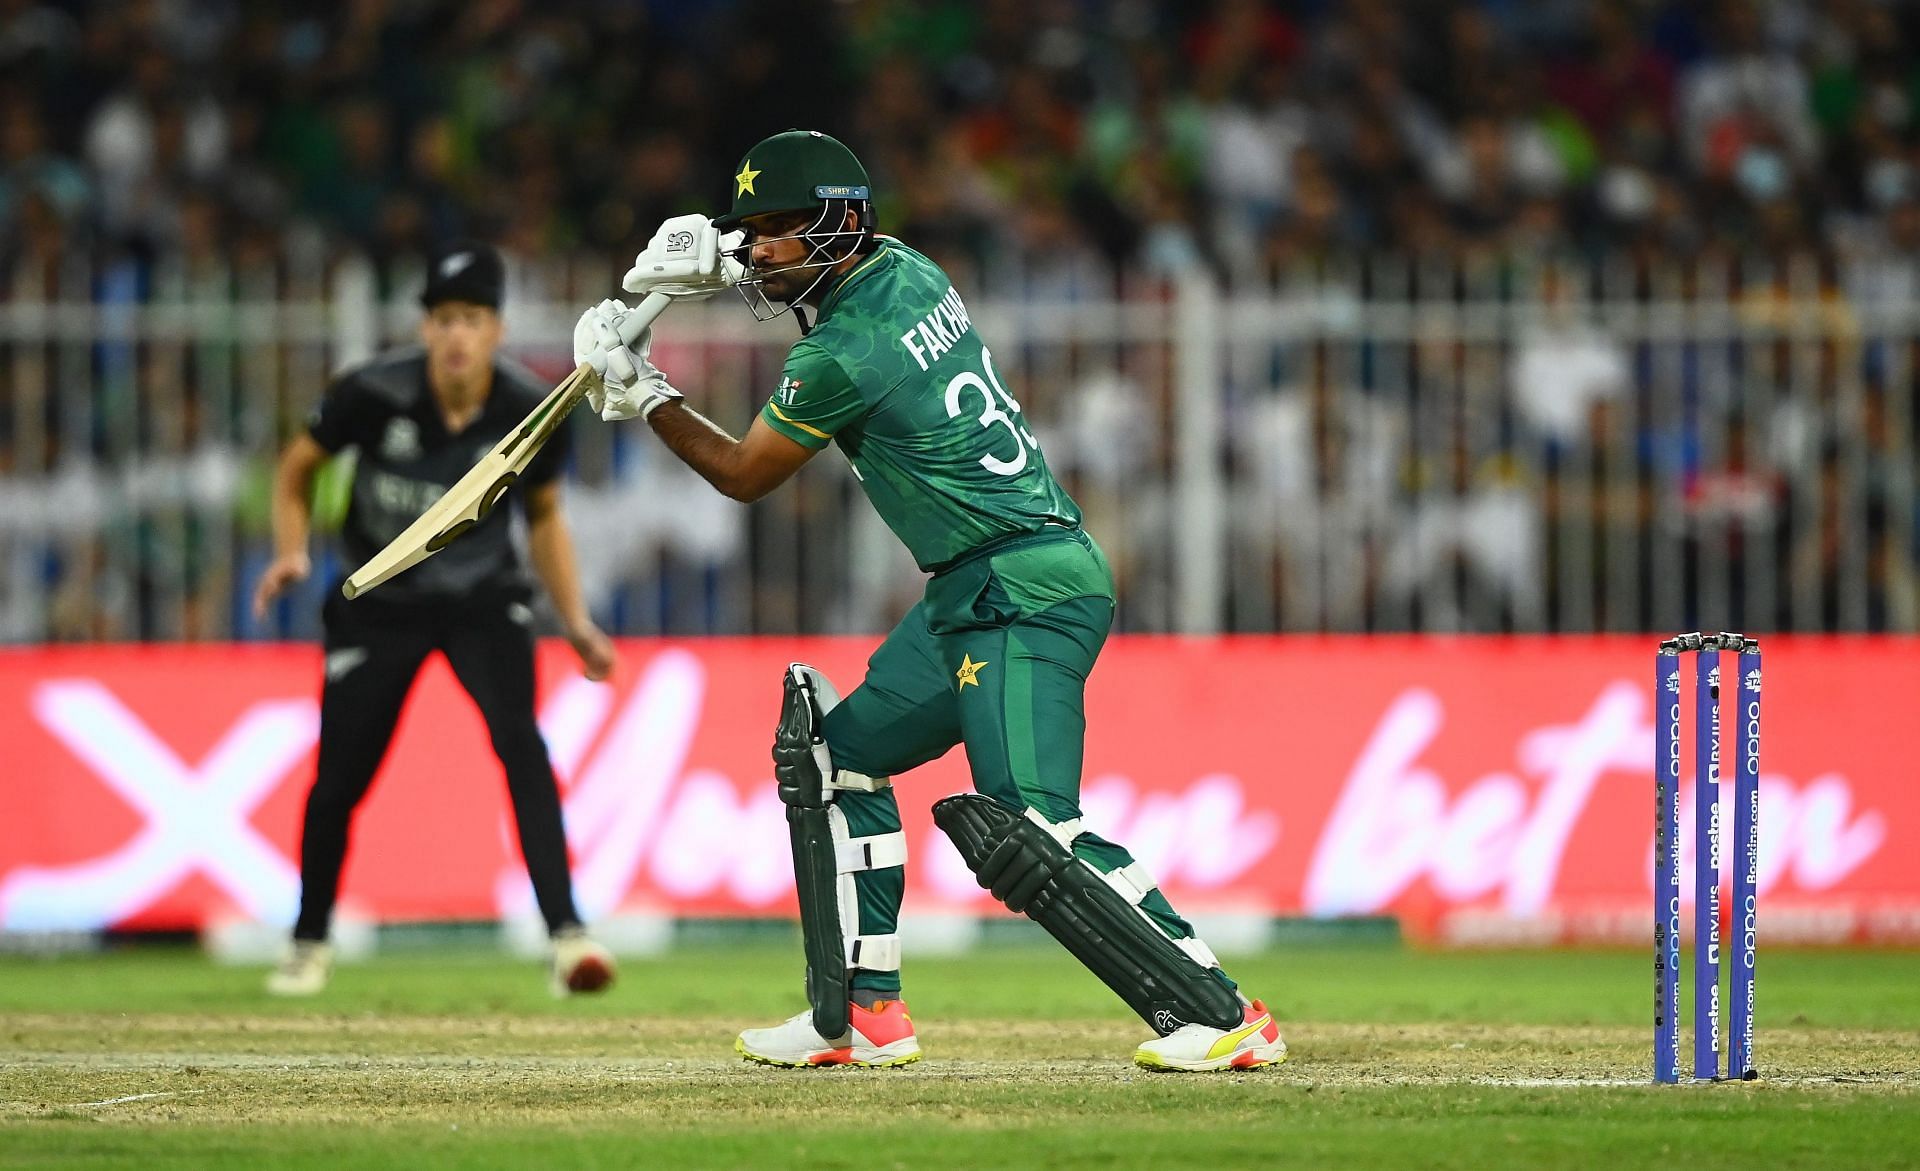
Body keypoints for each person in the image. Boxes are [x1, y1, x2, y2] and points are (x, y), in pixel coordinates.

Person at [571, 130, 1283, 1071]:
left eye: (783, 228)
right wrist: (722, 253)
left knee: (1029, 819)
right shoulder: (904, 267)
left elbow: (746, 475)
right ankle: (858, 1018)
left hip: (1022, 588)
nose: (767, 248)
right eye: (758, 231)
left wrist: (647, 390)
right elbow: (820, 310)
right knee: (836, 758)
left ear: (842, 222)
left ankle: (1225, 1015)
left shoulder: (845, 352)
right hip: (975, 588)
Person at [254, 239, 618, 998]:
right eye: (444, 318)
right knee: (340, 778)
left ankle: (567, 935)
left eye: (473, 318)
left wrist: (576, 620)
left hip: (484, 596)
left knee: (523, 747)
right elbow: (295, 471)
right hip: (380, 601)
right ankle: (308, 939)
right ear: (424, 329)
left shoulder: (528, 408)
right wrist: (291, 552)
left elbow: (544, 517)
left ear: (497, 330)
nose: (457, 334)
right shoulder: (371, 393)